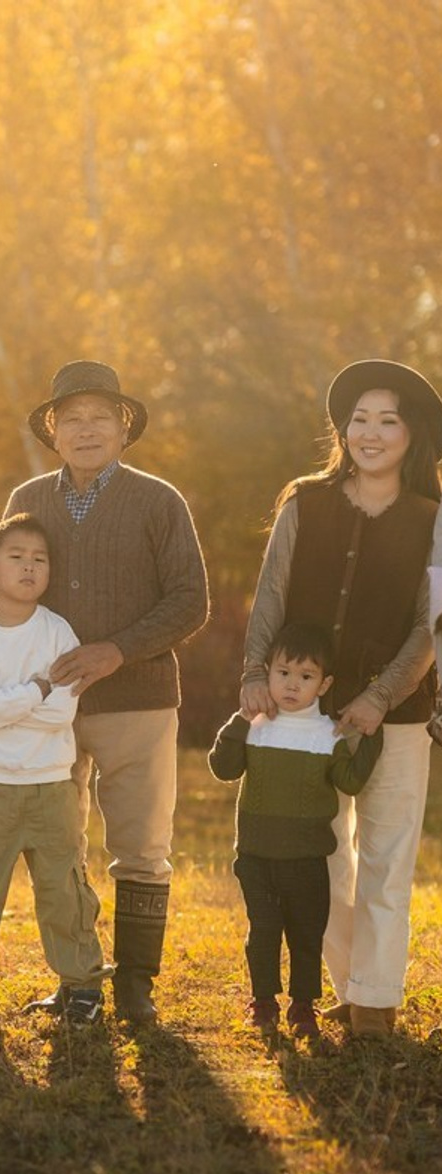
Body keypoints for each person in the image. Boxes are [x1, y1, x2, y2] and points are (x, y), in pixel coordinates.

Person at [3, 361, 208, 1024]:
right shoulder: (27, 500)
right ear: (53, 430)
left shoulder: (158, 501)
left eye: (100, 417)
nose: (86, 429)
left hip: (138, 700)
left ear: (123, 428)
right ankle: (77, 979)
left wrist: (116, 649)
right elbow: (7, 593)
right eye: (72, 419)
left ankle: (137, 985)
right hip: (48, 705)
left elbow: (190, 600)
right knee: (55, 845)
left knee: (141, 848)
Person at [242, 360, 441, 1038]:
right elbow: (270, 595)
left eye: (388, 420)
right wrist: (253, 672)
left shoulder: (433, 518)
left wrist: (381, 696)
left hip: (398, 717)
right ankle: (350, 980)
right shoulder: (304, 502)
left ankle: (376, 1003)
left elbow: (431, 626)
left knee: (387, 857)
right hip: (305, 715)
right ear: (343, 429)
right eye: (360, 419)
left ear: (413, 435)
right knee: (318, 859)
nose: (370, 433)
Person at [0, 514, 111, 1029]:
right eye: (16, 557)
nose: (29, 567)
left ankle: (81, 986)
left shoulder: (57, 632)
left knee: (64, 888)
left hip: (52, 786)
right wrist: (35, 688)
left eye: (40, 559)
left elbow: (61, 712)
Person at [209, 622, 382, 1042]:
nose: (291, 684)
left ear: (324, 685)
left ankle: (303, 1006)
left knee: (306, 935)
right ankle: (263, 1002)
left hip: (307, 860)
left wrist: (372, 741)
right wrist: (239, 721)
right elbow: (223, 768)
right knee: (263, 932)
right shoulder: (256, 725)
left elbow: (350, 782)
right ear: (267, 672)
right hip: (256, 857)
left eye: (306, 676)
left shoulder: (328, 734)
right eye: (283, 672)